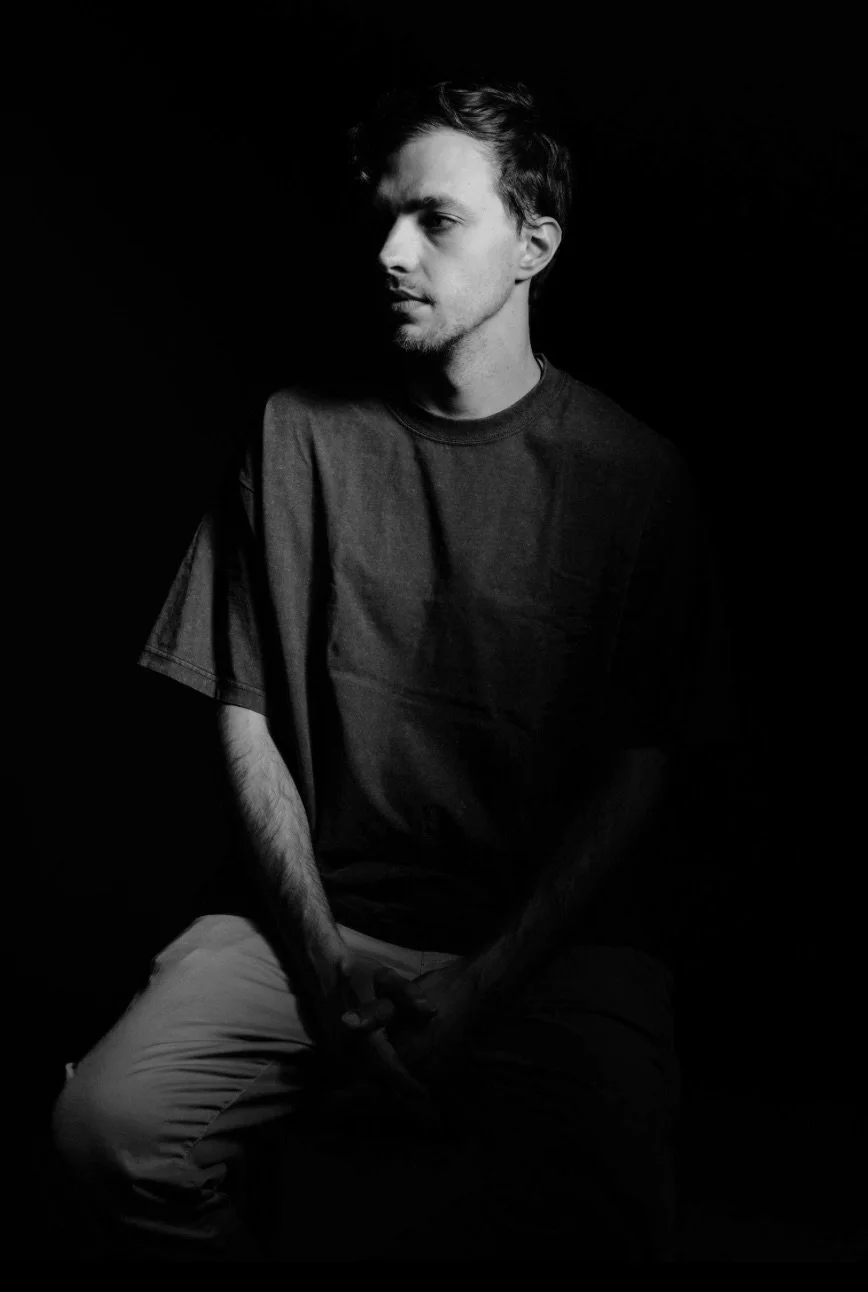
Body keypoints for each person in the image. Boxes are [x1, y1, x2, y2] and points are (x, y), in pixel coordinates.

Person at [51, 79, 735, 1262]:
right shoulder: (296, 432)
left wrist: (486, 982)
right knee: (108, 1126)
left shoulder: (634, 480)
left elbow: (642, 764)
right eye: (380, 213)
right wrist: (318, 960)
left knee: (611, 1189)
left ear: (534, 245)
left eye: (435, 219)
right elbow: (243, 709)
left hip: (548, 949)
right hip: (312, 921)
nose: (386, 249)